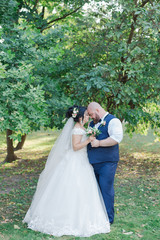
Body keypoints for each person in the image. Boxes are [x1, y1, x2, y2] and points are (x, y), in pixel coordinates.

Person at [23, 105, 110, 237]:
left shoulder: (82, 128)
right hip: (74, 161)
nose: (88, 117)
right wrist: (88, 140)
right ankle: (65, 219)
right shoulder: (76, 130)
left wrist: (89, 136)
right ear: (80, 117)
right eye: (86, 115)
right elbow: (75, 147)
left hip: (82, 161)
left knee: (83, 189)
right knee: (71, 188)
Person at [87, 102, 123, 224]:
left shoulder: (113, 121)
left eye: (92, 114)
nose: (91, 117)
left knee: (106, 189)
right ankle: (98, 216)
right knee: (95, 190)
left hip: (107, 163)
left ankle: (108, 219)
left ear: (97, 109)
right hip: (92, 163)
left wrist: (99, 143)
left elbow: (116, 138)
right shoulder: (92, 123)